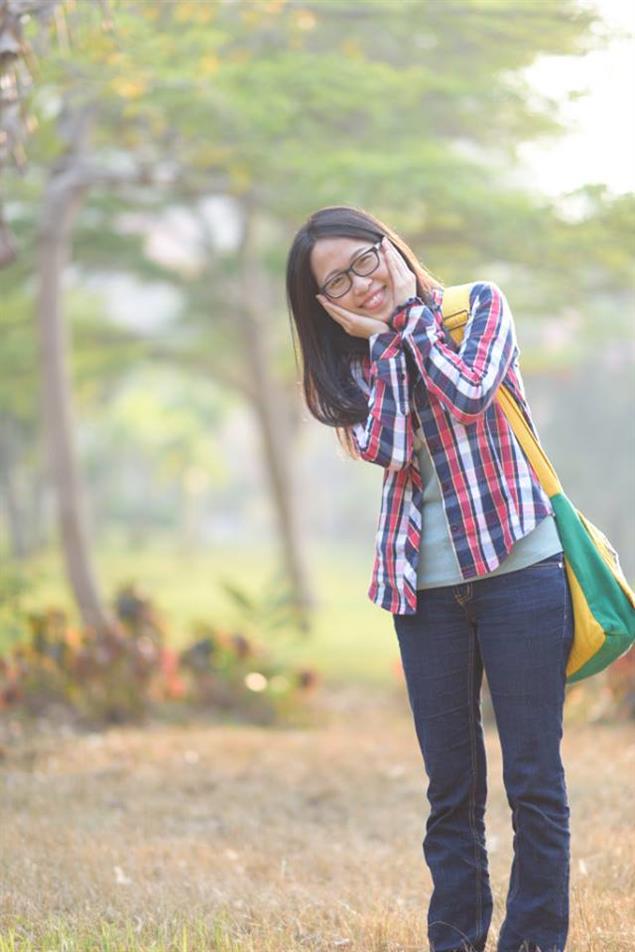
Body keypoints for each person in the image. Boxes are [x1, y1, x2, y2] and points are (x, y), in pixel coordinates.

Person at [286, 205, 573, 952]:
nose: (361, 282)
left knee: (533, 782)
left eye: (365, 260)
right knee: (451, 793)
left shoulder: (475, 306)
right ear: (321, 303)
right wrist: (381, 343)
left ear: (393, 249)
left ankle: (532, 942)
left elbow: (471, 393)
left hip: (521, 572)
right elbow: (382, 445)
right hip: (424, 592)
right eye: (337, 280)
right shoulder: (350, 365)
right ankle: (455, 941)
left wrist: (404, 325)